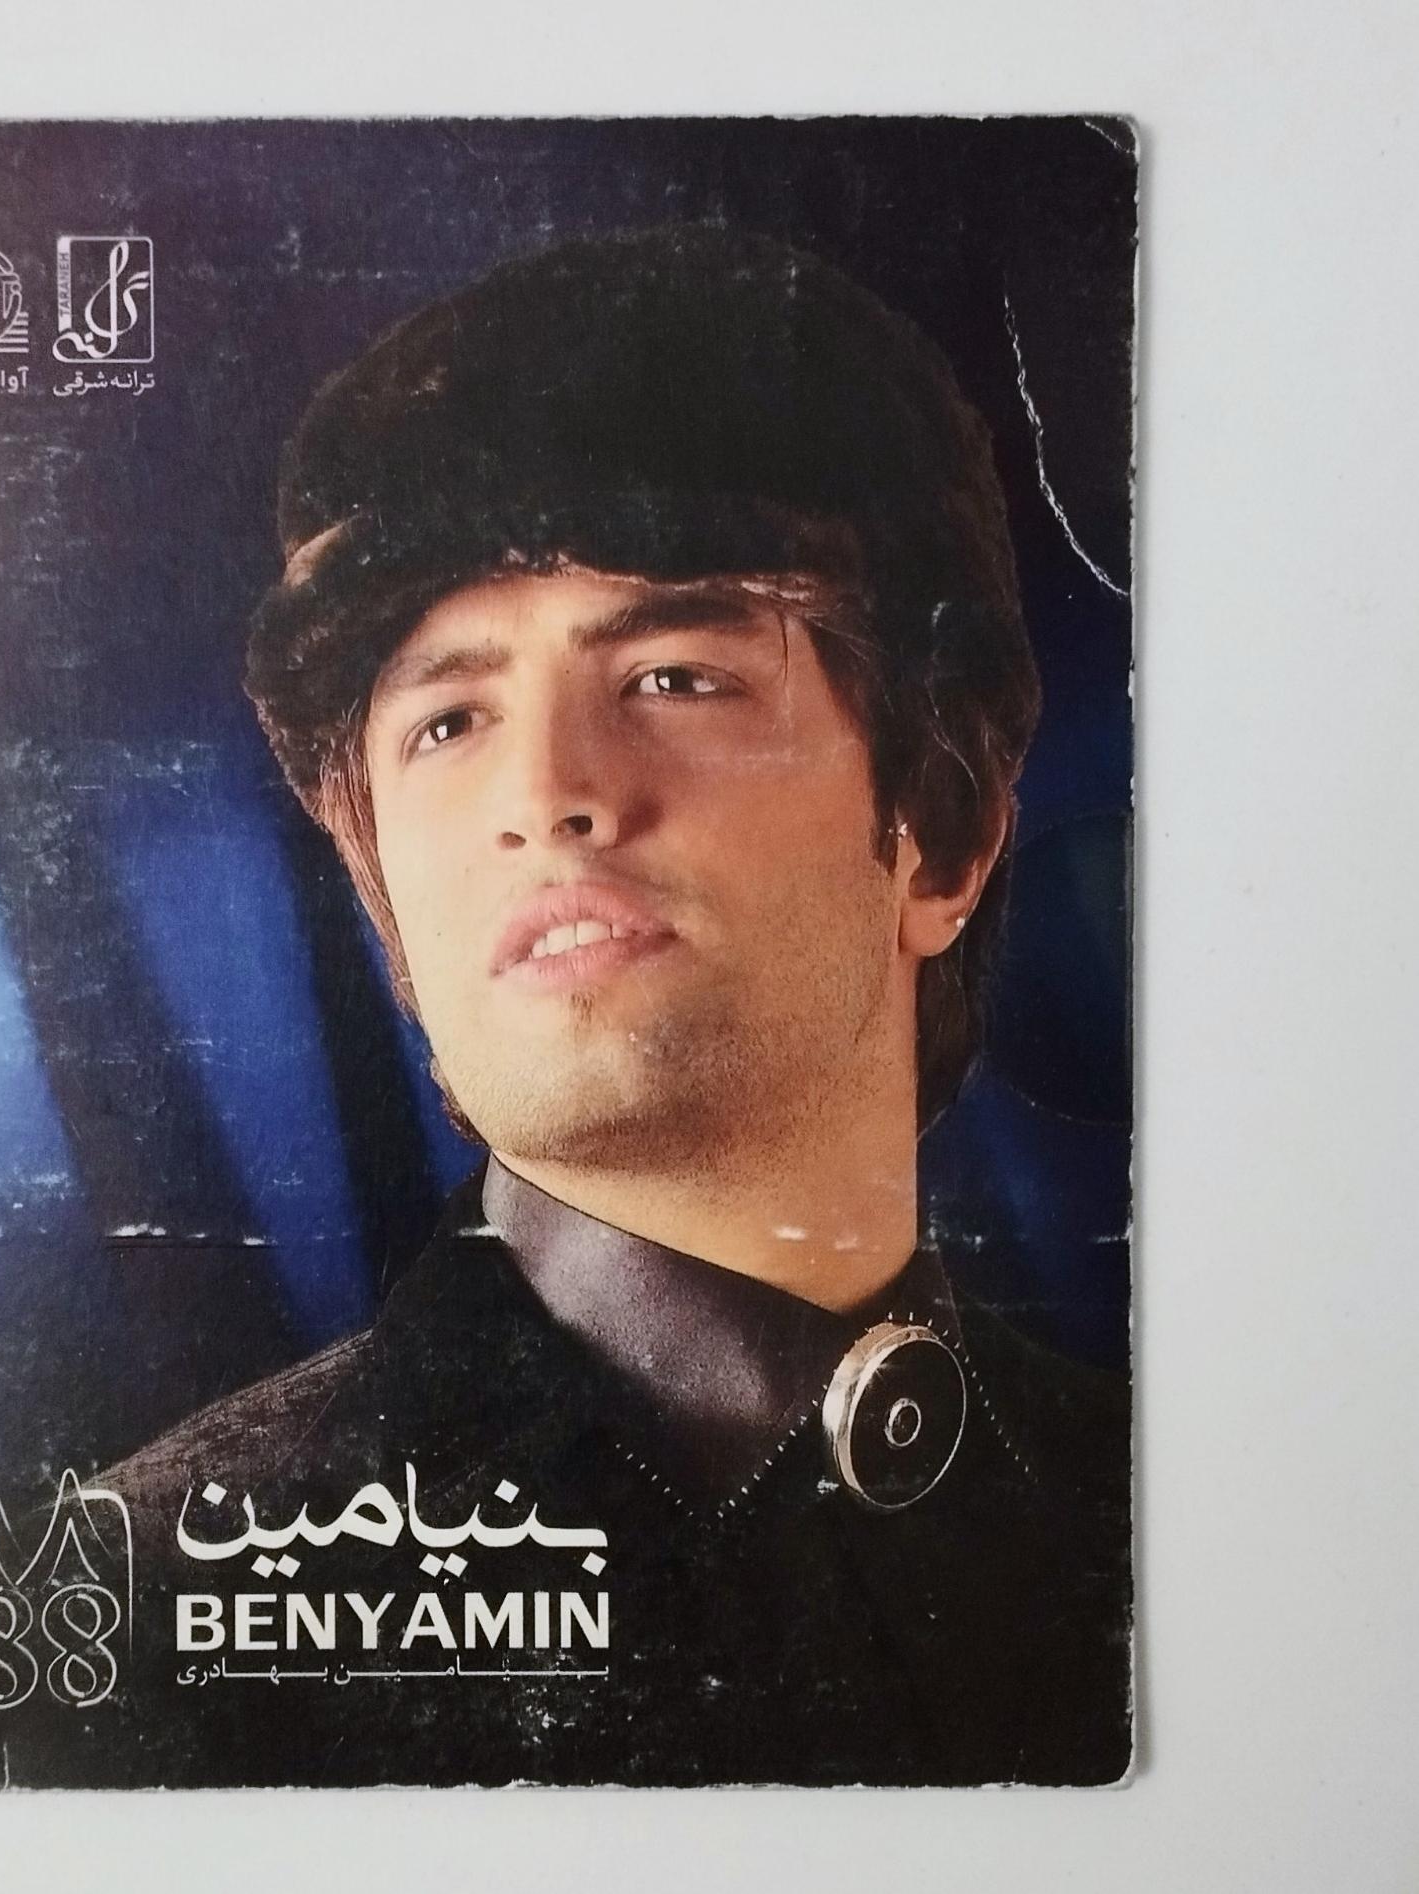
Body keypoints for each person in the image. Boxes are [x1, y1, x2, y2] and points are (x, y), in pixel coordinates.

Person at [101, 226, 1132, 1787]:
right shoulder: (126, 1619)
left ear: (940, 829)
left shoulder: (1176, 1533)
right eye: (448, 719)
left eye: (672, 676)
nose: (545, 792)